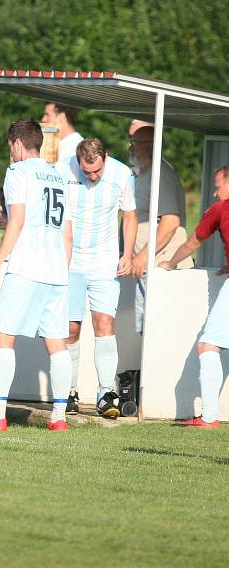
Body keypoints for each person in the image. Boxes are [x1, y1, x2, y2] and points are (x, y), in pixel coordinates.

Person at [0, 118, 73, 432]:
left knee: (2, 336)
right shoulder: (60, 175)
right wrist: (61, 269)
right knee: (57, 343)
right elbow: (68, 235)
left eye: (10, 146)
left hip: (27, 266)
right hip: (57, 270)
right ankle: (59, 417)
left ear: (17, 144)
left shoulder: (17, 172)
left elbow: (17, 220)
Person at [57, 138, 137, 416]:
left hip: (104, 262)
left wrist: (127, 253)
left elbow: (129, 215)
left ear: (105, 159)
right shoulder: (62, 170)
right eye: (86, 171)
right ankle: (68, 392)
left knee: (104, 323)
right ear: (78, 162)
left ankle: (105, 393)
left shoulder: (122, 174)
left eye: (97, 171)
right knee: (71, 328)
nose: (92, 176)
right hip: (70, 262)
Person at [160, 164, 229, 428]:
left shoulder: (221, 209)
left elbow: (192, 243)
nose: (214, 193)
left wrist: (170, 262)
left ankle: (209, 417)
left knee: (208, 345)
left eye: (217, 186)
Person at [128, 123, 191, 332]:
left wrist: (142, 256)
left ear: (150, 146)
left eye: (134, 143)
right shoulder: (144, 173)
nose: (130, 148)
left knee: (158, 331)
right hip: (148, 267)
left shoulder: (160, 174)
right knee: (144, 329)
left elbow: (170, 221)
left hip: (161, 267)